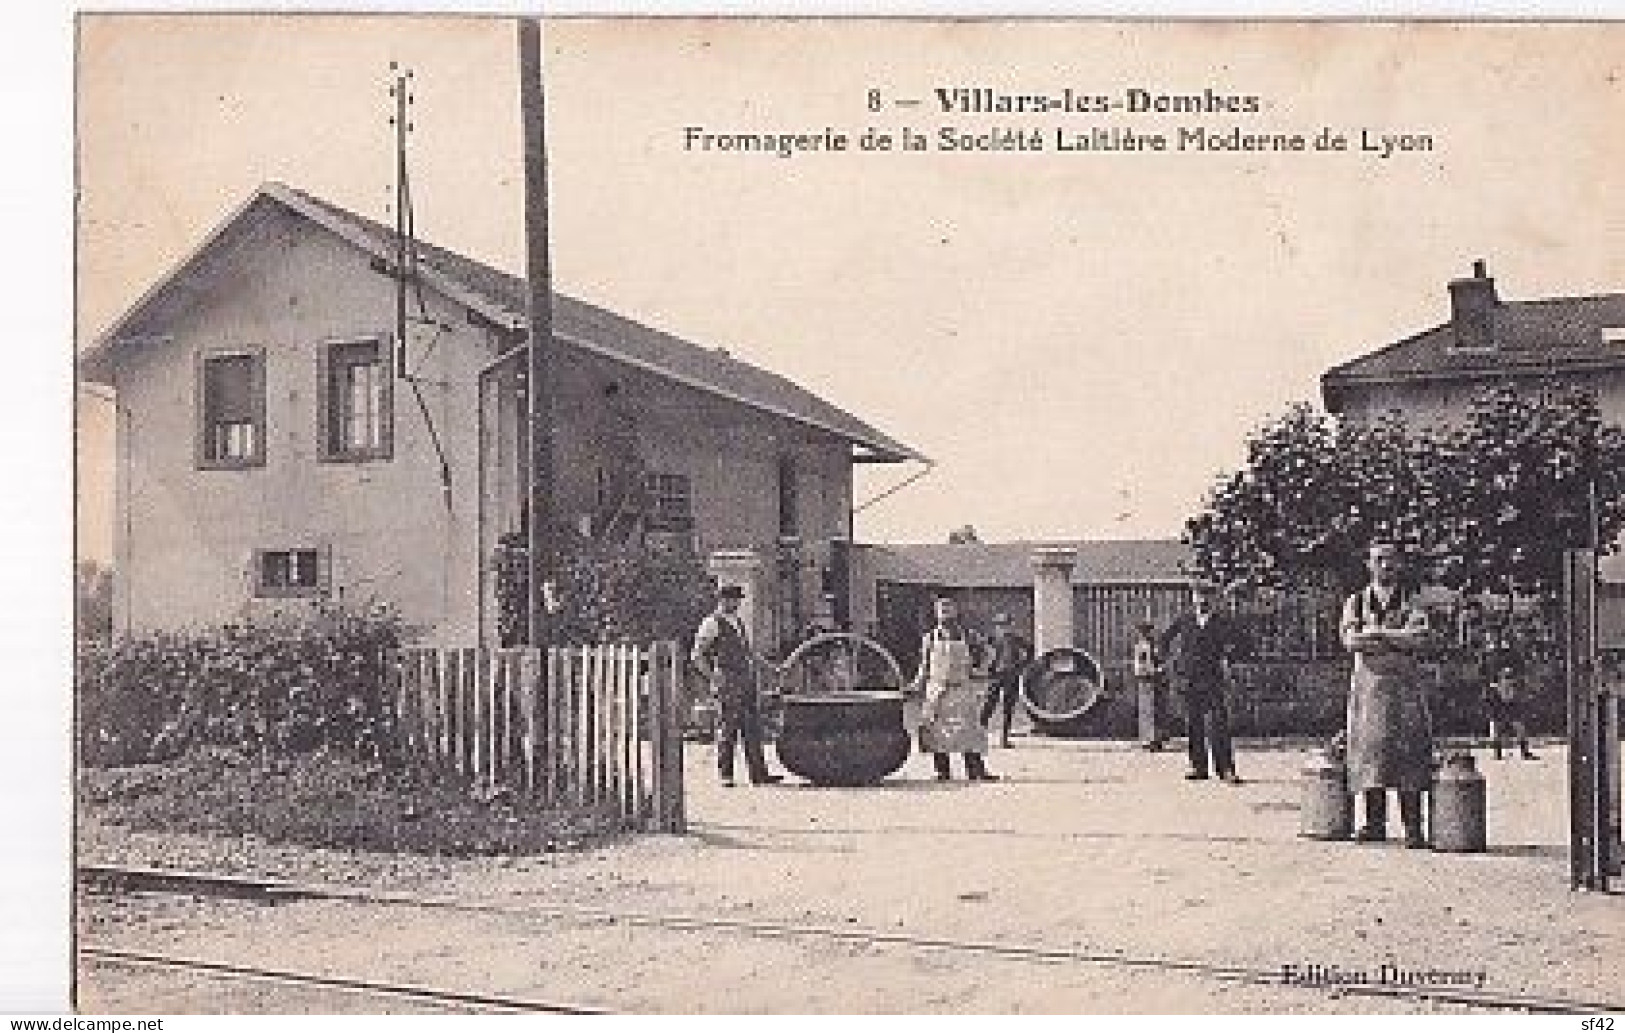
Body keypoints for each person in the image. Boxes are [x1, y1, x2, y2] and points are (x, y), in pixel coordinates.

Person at [1341, 540, 1435, 848]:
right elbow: (1351, 640)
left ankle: (1412, 827)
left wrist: (1379, 635)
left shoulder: (1412, 602)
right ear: (1369, 565)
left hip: (1405, 692)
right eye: (1379, 560)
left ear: (1400, 565)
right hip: (1368, 691)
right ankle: (1375, 823)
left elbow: (1419, 638)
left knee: (1409, 754)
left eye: (1392, 560)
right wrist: (1397, 641)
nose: (1386, 565)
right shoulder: (1355, 602)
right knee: (1372, 755)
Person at [691, 585, 784, 787]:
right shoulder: (711, 623)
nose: (736, 604)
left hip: (746, 681)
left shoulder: (738, 622)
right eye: (732, 600)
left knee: (752, 728)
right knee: (727, 728)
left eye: (738, 600)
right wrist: (713, 677)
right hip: (728, 682)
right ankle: (726, 774)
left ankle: (759, 774)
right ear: (722, 600)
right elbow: (697, 656)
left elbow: (748, 653)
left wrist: (770, 668)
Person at [1158, 582, 1245, 784]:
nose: (1203, 600)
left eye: (1207, 595)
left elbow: (1241, 644)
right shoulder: (1185, 619)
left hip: (1213, 679)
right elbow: (1165, 640)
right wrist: (1171, 663)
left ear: (1214, 599)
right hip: (1189, 680)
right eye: (1199, 595)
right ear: (1193, 597)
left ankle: (1226, 770)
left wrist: (1229, 660)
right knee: (1193, 725)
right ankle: (1198, 767)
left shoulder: (1223, 622)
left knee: (1218, 725)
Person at [910, 594, 999, 782]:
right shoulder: (930, 638)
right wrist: (917, 685)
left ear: (956, 612)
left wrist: (980, 670)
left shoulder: (968, 635)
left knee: (969, 731)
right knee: (936, 732)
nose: (945, 613)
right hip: (937, 690)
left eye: (949, 609)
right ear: (936, 614)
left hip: (961, 689)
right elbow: (924, 665)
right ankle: (943, 772)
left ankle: (976, 771)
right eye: (941, 610)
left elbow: (989, 652)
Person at [980, 612, 1034, 749]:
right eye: (1000, 625)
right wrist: (986, 667)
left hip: (1011, 676)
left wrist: (1021, 666)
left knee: (1008, 707)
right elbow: (982, 654)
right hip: (995, 676)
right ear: (996, 626)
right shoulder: (990, 640)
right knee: (988, 706)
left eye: (1005, 624)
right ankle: (979, 736)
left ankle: (1003, 739)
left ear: (1011, 625)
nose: (1003, 627)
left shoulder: (1017, 640)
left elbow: (1030, 650)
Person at [1482, 632, 1538, 761]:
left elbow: (1519, 672)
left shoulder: (1504, 656)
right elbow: (1484, 675)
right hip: (1496, 691)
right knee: (1498, 723)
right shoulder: (1491, 657)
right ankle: (1500, 752)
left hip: (1504, 690)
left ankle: (1518, 751)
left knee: (1514, 722)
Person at [1130, 619, 1168, 751]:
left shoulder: (1153, 646)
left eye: (1148, 631)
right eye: (1144, 632)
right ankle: (1148, 739)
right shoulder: (1141, 647)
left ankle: (1156, 739)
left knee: (1155, 710)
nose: (1146, 634)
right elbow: (1140, 665)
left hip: (1155, 679)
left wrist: (1160, 669)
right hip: (1146, 679)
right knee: (1147, 710)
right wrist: (1152, 671)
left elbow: (1157, 660)